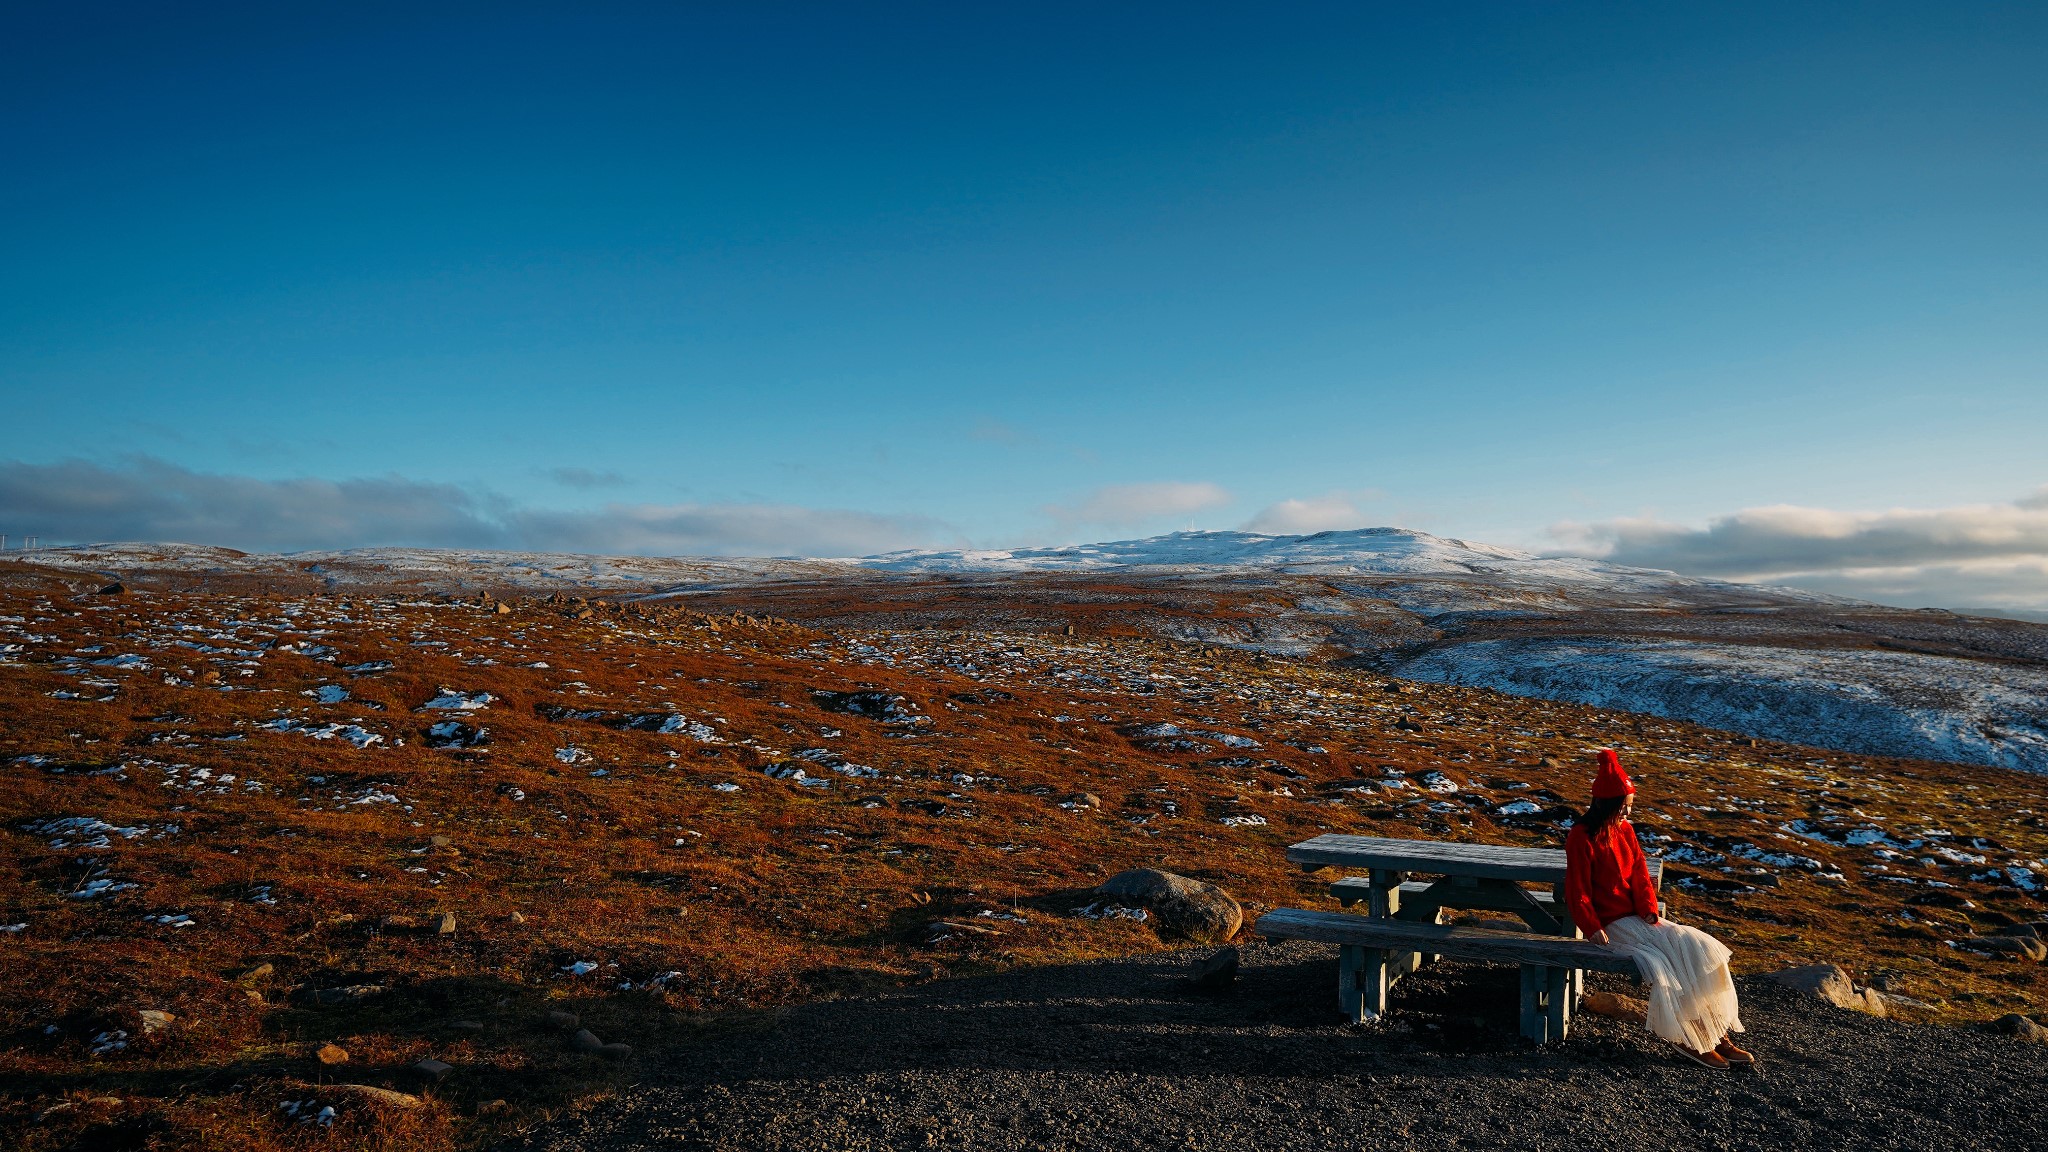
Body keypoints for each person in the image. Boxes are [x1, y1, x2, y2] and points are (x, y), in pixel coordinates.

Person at [1564, 749, 1755, 1070]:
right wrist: (1591, 925)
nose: (1627, 813)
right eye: (1623, 807)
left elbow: (1639, 871)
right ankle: (1690, 1038)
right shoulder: (1581, 836)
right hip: (1611, 923)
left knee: (1697, 946)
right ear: (1607, 804)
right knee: (1666, 962)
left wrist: (1649, 908)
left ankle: (1714, 1030)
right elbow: (1577, 888)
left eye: (1629, 807)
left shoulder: (1625, 830)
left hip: (1639, 916)